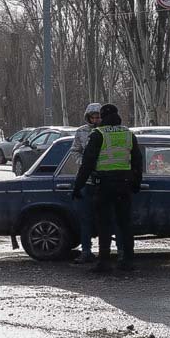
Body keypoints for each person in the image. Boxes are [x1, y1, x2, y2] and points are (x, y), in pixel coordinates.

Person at [72, 104, 143, 274]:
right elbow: (137, 161)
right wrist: (136, 183)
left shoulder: (98, 134)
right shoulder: (128, 133)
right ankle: (127, 260)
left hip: (104, 185)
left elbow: (87, 163)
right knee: (125, 224)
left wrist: (78, 186)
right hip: (124, 184)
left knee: (104, 225)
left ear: (103, 117)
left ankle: (104, 262)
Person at [70, 102, 103, 263]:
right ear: (88, 117)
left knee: (106, 218)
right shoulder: (81, 132)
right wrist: (84, 162)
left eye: (98, 116)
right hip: (86, 179)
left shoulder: (106, 132)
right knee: (85, 218)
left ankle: (108, 252)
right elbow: (75, 150)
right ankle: (86, 250)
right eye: (93, 117)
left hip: (104, 180)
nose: (96, 119)